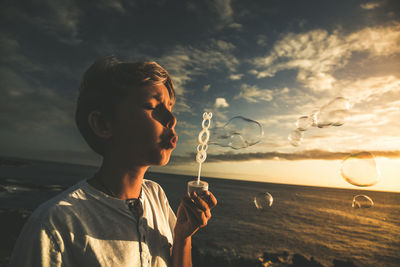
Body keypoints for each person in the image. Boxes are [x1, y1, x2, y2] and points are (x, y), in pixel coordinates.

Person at [9, 55, 217, 267]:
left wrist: (182, 237)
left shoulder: (157, 196)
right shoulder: (55, 224)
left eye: (170, 107)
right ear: (103, 124)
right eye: (153, 106)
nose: (172, 119)